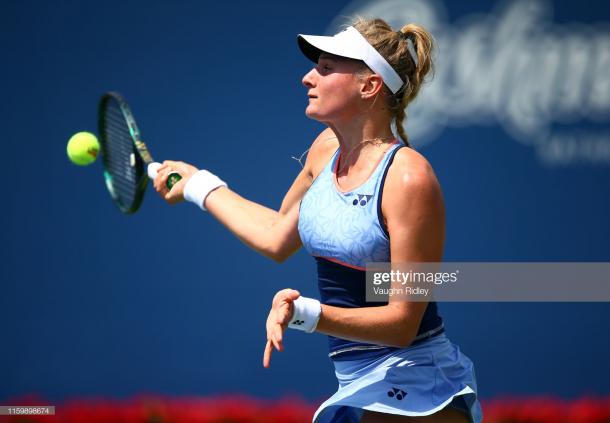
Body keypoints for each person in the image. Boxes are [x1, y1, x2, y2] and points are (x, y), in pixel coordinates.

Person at [153, 17, 482, 423]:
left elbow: (402, 323)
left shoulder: (408, 178)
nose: (307, 77)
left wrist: (305, 313)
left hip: (415, 382)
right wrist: (198, 185)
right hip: (357, 382)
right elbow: (276, 235)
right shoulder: (324, 151)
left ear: (369, 85)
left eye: (326, 68)